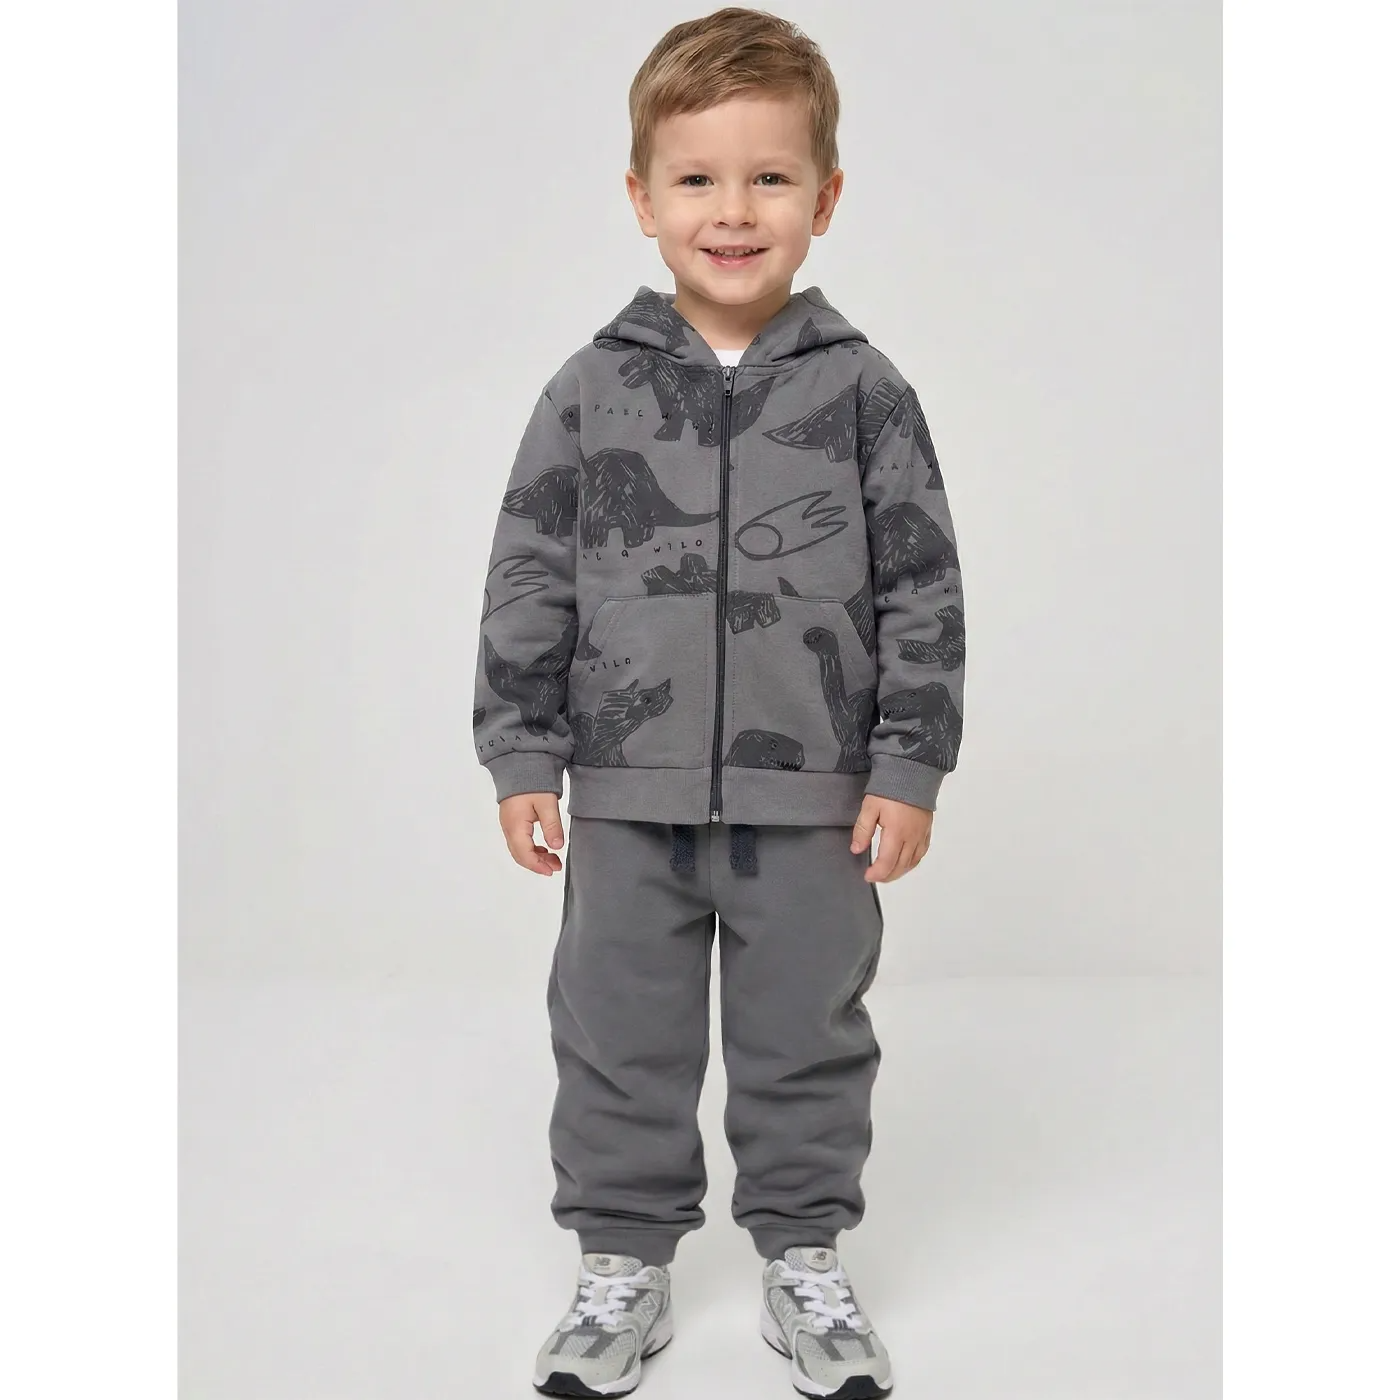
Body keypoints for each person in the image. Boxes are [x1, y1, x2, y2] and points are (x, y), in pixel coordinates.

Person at [473, 8, 966, 1395]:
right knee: (616, 1034)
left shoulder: (867, 393)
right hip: (625, 797)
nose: (733, 210)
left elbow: (924, 587)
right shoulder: (589, 391)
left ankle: (804, 1255)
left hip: (812, 800)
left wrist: (908, 766)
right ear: (642, 198)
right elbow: (530, 573)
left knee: (807, 1033)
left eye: (770, 177)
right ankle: (620, 1267)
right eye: (697, 178)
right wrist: (522, 754)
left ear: (826, 197)